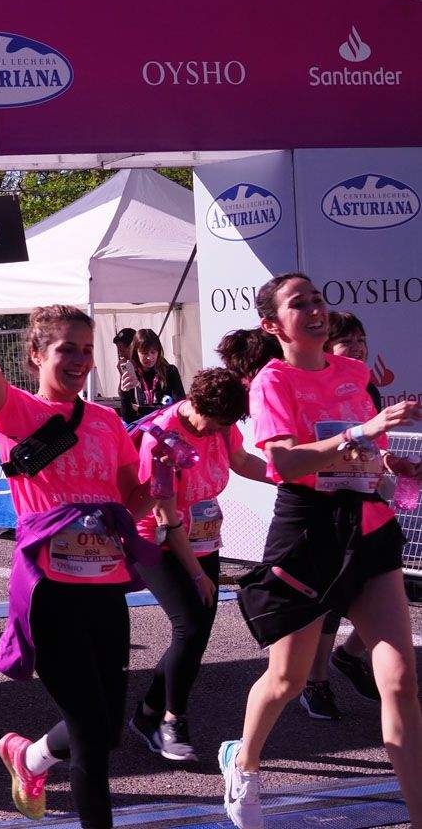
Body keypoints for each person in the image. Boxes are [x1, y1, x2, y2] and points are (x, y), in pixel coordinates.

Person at [0, 251, 156, 829]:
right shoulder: (18, 413)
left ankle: (27, 757)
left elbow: (131, 501)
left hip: (105, 590)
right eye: (66, 350)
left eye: (86, 349)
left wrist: (162, 480)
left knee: (107, 728)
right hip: (49, 592)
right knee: (91, 732)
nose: (79, 361)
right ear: (36, 355)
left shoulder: (107, 422)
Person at [217, 273, 422, 829]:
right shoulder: (272, 380)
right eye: (298, 303)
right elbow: (285, 463)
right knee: (287, 679)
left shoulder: (353, 373)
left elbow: (369, 452)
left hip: (369, 527)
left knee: (400, 682)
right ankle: (243, 760)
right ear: (272, 325)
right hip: (309, 532)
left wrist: (398, 466)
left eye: (318, 300)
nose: (315, 310)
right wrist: (359, 433)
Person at [127, 369, 269, 763]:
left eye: (226, 427)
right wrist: (196, 575)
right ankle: (172, 720)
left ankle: (147, 713)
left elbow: (242, 461)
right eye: (215, 424)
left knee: (195, 637)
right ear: (196, 405)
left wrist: (289, 477)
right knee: (189, 626)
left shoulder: (221, 426)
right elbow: (166, 518)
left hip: (204, 538)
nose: (218, 433)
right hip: (158, 540)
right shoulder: (162, 438)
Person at [296, 311, 384, 721]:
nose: (358, 348)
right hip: (323, 507)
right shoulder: (307, 385)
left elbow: (377, 447)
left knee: (379, 589)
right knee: (329, 600)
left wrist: (394, 465)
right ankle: (314, 683)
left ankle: (348, 656)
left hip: (367, 502)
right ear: (327, 347)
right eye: (348, 340)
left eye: (361, 339)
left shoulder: (368, 388)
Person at [118, 328, 185, 422]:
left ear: (159, 351)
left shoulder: (170, 371)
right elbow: (128, 418)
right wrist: (123, 392)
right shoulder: (132, 374)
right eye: (144, 353)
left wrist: (141, 409)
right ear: (136, 352)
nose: (149, 357)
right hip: (140, 427)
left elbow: (178, 408)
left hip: (165, 426)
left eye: (153, 352)